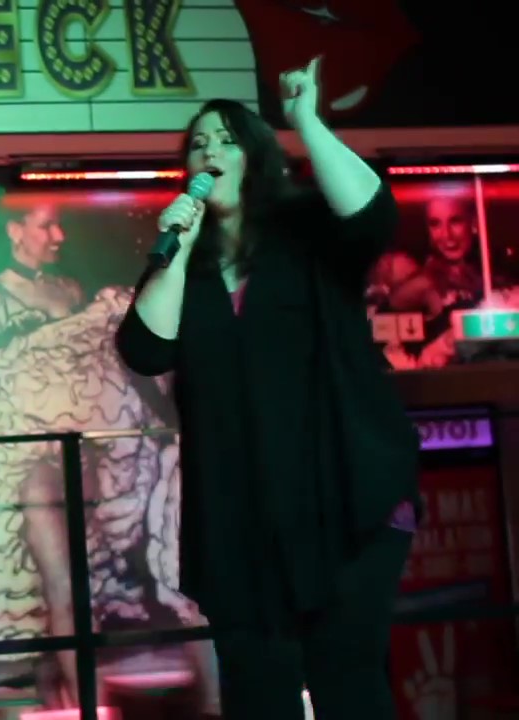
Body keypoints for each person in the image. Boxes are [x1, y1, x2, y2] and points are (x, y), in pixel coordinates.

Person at [113, 58, 421, 720]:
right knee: (257, 693)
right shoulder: (187, 266)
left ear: (255, 156)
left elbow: (373, 215)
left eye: (226, 140)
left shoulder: (306, 232)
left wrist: (305, 120)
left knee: (349, 685)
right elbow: (144, 350)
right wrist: (175, 250)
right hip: (240, 521)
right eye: (198, 143)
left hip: (343, 501)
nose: (209, 151)